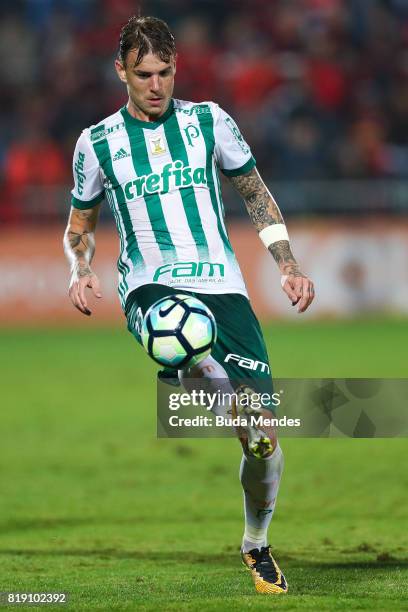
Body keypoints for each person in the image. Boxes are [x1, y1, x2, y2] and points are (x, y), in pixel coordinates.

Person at [63, 15, 315, 595]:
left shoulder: (209, 121)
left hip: (223, 287)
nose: (156, 85)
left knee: (263, 439)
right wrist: (79, 269)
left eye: (166, 72)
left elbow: (254, 192)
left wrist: (288, 264)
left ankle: (256, 542)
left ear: (177, 68)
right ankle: (190, 364)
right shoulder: (97, 142)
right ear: (121, 71)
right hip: (149, 286)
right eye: (143, 74)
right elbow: (80, 224)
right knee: (185, 334)